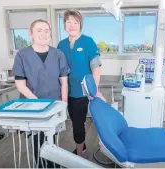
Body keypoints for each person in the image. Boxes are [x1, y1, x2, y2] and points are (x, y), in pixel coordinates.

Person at [12, 19, 69, 168]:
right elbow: (20, 84)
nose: (43, 34)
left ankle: (54, 165)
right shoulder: (22, 55)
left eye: (47, 30)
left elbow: (64, 82)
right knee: (37, 140)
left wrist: (64, 105)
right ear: (31, 33)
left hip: (54, 105)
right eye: (39, 30)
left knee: (53, 139)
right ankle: (41, 165)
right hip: (32, 107)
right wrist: (38, 103)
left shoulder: (58, 54)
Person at [57, 9, 106, 156]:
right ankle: (82, 146)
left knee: (78, 124)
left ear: (80, 25)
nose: (71, 25)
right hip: (66, 91)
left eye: (75, 22)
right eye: (68, 22)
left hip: (82, 92)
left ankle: (79, 154)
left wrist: (95, 90)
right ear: (64, 24)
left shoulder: (88, 41)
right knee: (73, 121)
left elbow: (96, 68)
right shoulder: (61, 44)